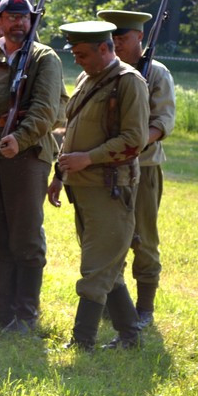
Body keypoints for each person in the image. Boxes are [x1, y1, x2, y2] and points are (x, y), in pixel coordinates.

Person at [0, 0, 64, 333]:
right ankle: (3, 308)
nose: (18, 23)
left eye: (23, 17)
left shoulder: (43, 58)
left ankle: (25, 313)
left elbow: (45, 110)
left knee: (24, 235)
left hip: (26, 155)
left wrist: (19, 139)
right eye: (11, 17)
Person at [47, 20, 149, 351]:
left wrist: (88, 159)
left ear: (104, 49)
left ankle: (83, 341)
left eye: (82, 54)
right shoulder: (87, 79)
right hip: (83, 187)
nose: (77, 60)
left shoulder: (128, 83)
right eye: (74, 54)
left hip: (111, 188)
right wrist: (60, 175)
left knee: (95, 269)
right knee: (107, 265)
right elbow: (73, 129)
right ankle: (130, 336)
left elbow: (135, 140)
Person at [97, 9, 176, 329]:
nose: (117, 44)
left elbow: (162, 122)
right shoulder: (104, 73)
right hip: (106, 167)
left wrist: (131, 145)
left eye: (123, 39)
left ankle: (144, 308)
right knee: (109, 237)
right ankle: (111, 300)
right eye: (111, 39)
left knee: (143, 239)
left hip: (143, 166)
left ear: (140, 37)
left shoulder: (157, 73)